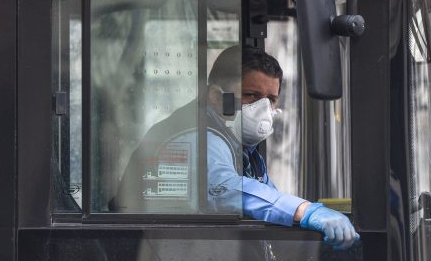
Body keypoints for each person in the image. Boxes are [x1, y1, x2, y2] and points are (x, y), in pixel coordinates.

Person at [112, 45, 360, 251]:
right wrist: (305, 211)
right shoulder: (194, 138)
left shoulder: (243, 148)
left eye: (271, 99)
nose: (264, 108)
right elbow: (227, 189)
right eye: (251, 95)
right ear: (217, 97)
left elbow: (267, 199)